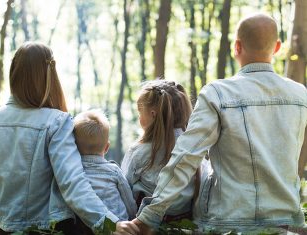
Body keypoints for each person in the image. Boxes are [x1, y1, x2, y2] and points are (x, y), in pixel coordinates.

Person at [132, 13, 307, 233]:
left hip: (227, 223)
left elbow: (186, 157)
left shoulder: (218, 94)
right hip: (285, 223)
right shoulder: (301, 96)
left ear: (236, 47)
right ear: (278, 47)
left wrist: (150, 216)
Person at [0, 42, 139, 235]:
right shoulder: (56, 122)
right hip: (46, 229)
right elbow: (72, 182)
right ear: (49, 76)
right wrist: (109, 223)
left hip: (3, 228)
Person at [121, 80, 196, 221]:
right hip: (184, 221)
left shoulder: (139, 151)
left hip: (146, 223)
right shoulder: (193, 148)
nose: (139, 117)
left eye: (140, 112)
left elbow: (124, 188)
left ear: (153, 114)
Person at [73, 109, 137, 221]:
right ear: (107, 147)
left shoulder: (72, 172)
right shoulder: (114, 171)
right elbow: (129, 201)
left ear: (74, 146)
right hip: (117, 226)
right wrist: (133, 218)